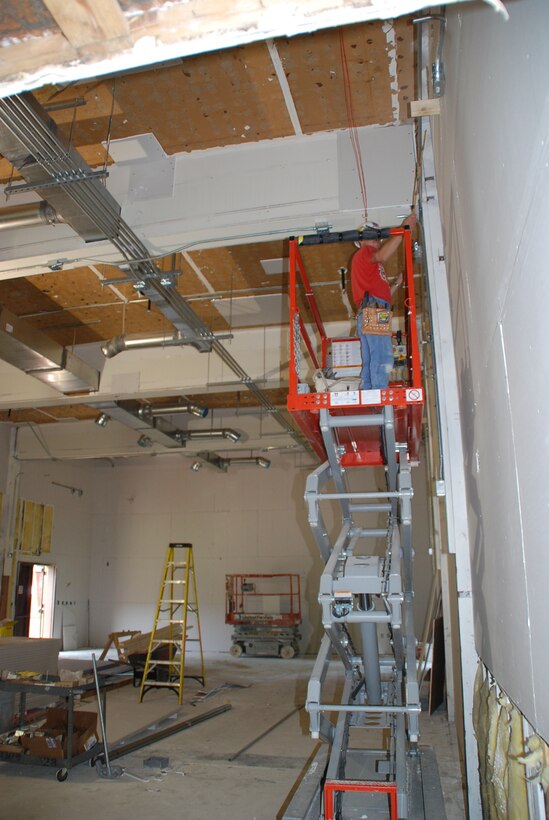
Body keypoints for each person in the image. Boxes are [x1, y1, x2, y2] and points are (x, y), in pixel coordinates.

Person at [351, 213, 417, 390]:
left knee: (371, 357)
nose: (377, 240)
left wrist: (397, 282)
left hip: (370, 310)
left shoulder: (369, 264)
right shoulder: (366, 252)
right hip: (374, 310)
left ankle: (369, 393)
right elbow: (382, 256)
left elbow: (383, 293)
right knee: (382, 356)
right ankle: (379, 392)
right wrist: (403, 230)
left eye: (378, 237)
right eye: (373, 236)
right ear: (361, 239)